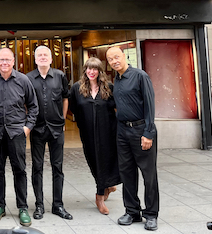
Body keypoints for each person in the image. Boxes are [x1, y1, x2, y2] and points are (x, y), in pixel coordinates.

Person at [106, 46, 159, 231]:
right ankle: (132, 211)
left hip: (140, 131)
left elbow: (150, 106)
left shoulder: (140, 76)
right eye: (111, 59)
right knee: (127, 173)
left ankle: (151, 214)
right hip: (123, 132)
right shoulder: (117, 80)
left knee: (149, 175)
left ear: (124, 56)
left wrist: (148, 133)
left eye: (116, 57)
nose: (114, 61)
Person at [0, 47, 38, 227]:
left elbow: (33, 106)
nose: (4, 63)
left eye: (8, 60)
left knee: (20, 170)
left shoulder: (23, 80)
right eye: (1, 60)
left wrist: (27, 127)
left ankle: (22, 207)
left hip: (17, 133)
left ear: (13, 61)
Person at [68, 57, 120, 215]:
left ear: (100, 71)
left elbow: (116, 107)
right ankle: (108, 185)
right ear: (85, 70)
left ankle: (100, 196)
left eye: (95, 69)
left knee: (104, 161)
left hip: (108, 132)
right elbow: (73, 108)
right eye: (89, 69)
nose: (92, 72)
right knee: (93, 161)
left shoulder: (108, 87)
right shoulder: (77, 88)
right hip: (88, 133)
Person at [26, 45, 72, 220]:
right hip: (37, 129)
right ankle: (39, 205)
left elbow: (65, 97)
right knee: (37, 167)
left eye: (46, 55)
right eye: (40, 55)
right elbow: (26, 102)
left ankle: (58, 205)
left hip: (56, 128)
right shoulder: (28, 78)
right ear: (36, 59)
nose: (43, 57)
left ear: (51, 59)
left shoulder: (60, 76)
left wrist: (63, 119)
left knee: (57, 167)